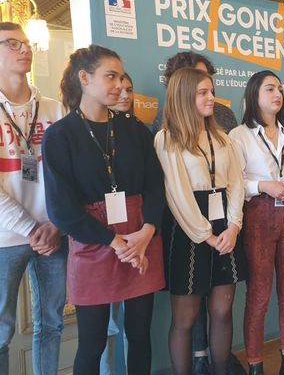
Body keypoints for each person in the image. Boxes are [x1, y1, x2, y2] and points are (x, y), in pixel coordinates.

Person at [42, 45, 166, 375]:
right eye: (109, 76)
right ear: (84, 78)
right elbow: (61, 209)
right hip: (93, 242)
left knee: (140, 335)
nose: (118, 84)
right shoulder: (60, 135)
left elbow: (155, 185)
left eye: (120, 77)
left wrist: (147, 231)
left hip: (141, 236)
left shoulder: (135, 129)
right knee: (92, 342)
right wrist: (114, 241)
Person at [155, 68, 246, 375]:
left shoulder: (222, 138)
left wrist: (233, 227)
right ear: (184, 97)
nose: (211, 98)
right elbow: (177, 195)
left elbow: (235, 183)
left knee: (222, 312)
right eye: (203, 93)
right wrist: (206, 235)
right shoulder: (167, 139)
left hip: (226, 230)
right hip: (188, 232)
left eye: (212, 91)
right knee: (185, 319)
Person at [229, 70, 284, 375]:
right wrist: (264, 186)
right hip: (258, 217)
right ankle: (255, 365)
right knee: (259, 296)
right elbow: (235, 181)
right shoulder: (239, 135)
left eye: (280, 89)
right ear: (254, 95)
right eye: (269, 89)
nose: (277, 94)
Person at [0, 21, 67, 375]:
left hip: (53, 233)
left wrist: (56, 223)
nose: (24, 49)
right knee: (1, 330)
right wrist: (32, 228)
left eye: (26, 44)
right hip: (6, 238)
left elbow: (73, 176)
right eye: (12, 43)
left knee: (52, 323)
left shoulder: (54, 109)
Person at [100, 71, 135, 375]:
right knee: (104, 326)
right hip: (100, 238)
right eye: (118, 87)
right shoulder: (85, 133)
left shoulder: (141, 132)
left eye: (129, 89)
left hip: (137, 236)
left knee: (134, 327)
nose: (124, 94)